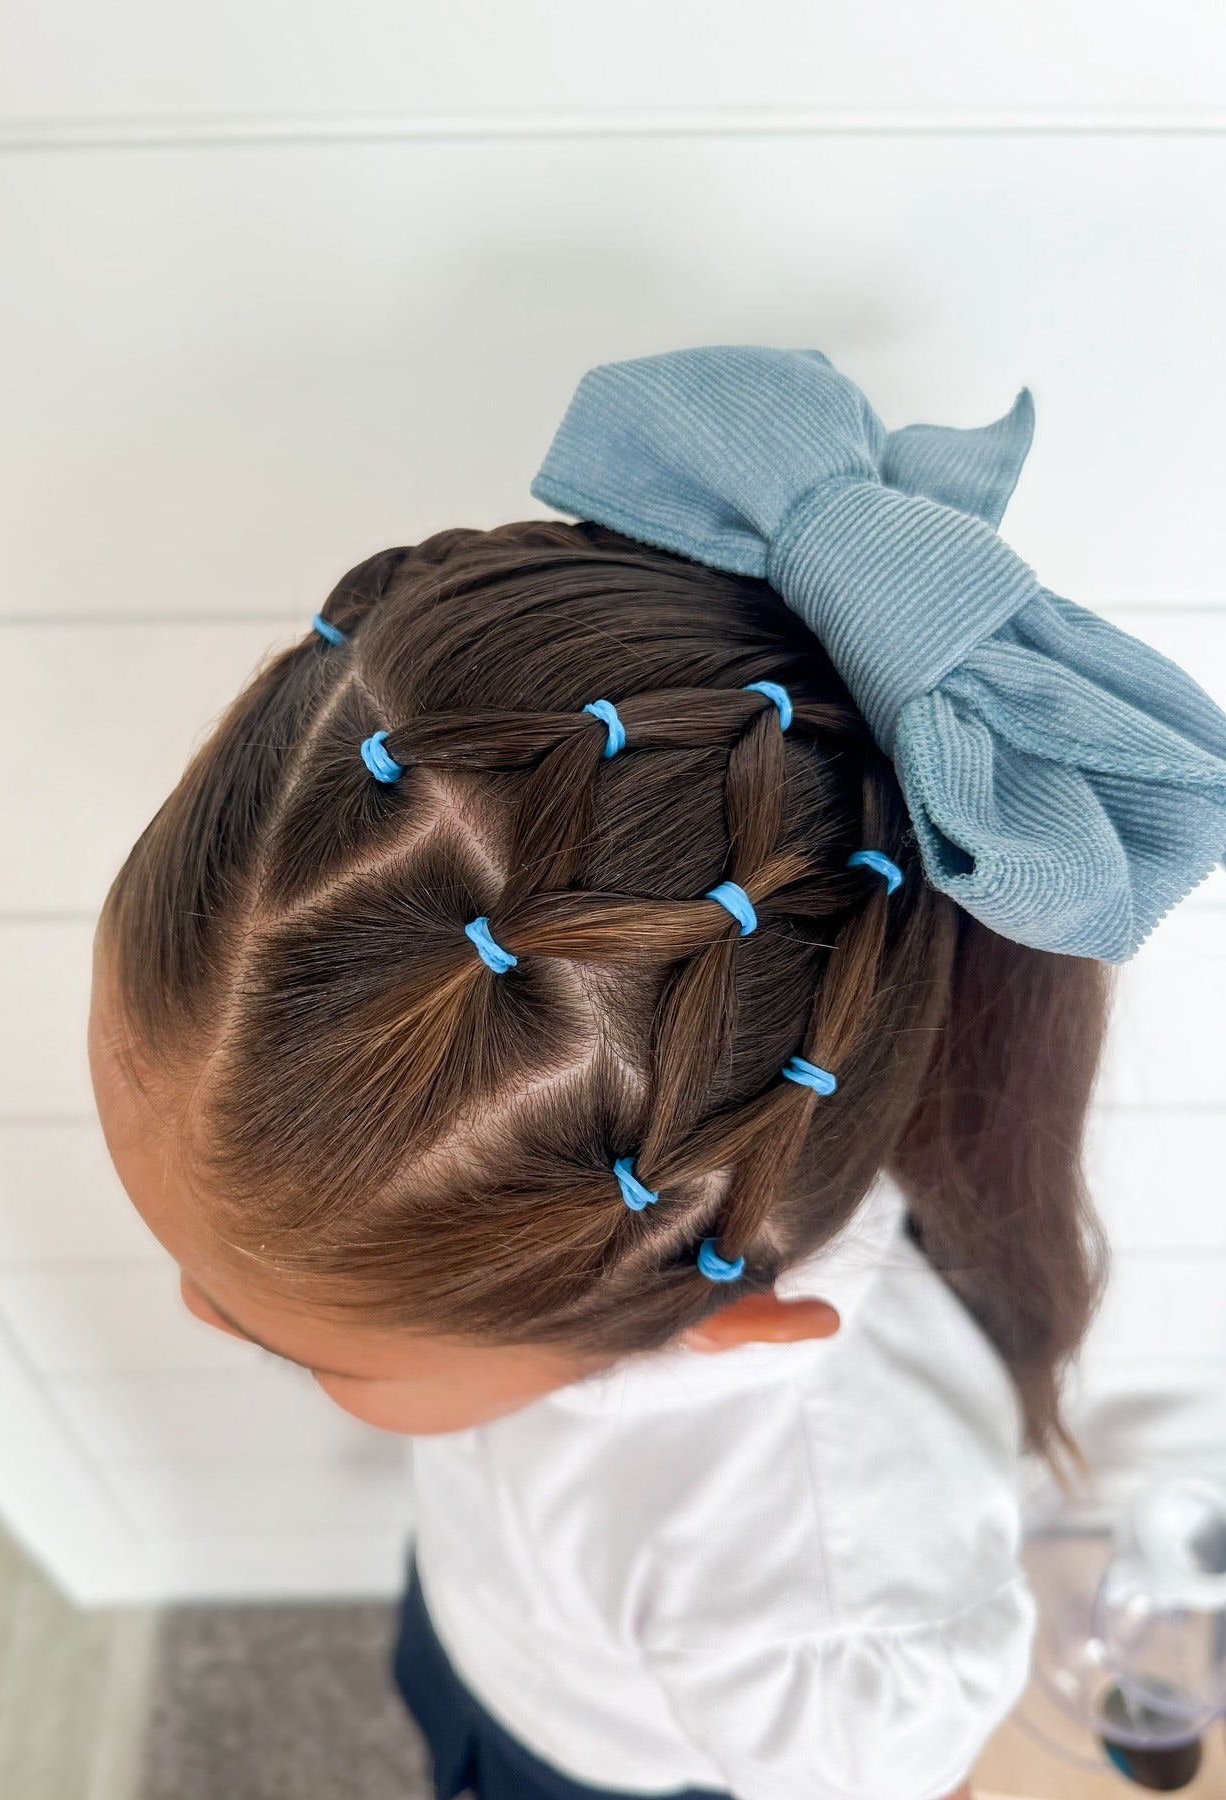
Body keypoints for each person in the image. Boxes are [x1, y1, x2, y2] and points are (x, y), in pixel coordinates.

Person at [86, 346, 1226, 1800]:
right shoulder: (615, 1209)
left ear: (720, 1330)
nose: (190, 1304)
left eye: (310, 1352)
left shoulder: (830, 1566)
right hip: (498, 1632)